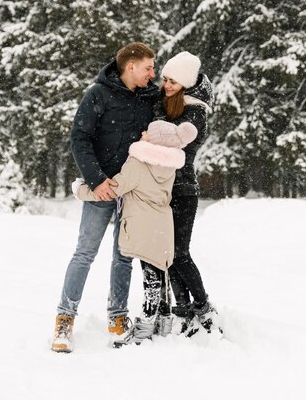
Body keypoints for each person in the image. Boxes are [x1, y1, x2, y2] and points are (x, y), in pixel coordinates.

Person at [51, 42, 157, 353]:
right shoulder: (98, 95)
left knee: (124, 256)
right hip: (103, 188)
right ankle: (64, 319)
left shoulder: (150, 96)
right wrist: (96, 180)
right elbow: (79, 138)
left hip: (133, 190)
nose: (153, 74)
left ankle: (118, 317)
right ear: (131, 67)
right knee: (85, 253)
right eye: (148, 68)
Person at [73, 119, 198, 347]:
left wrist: (80, 190)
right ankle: (164, 321)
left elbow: (113, 189)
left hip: (142, 226)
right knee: (159, 274)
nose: (143, 132)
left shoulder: (139, 164)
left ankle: (144, 329)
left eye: (148, 133)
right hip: (162, 226)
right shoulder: (169, 166)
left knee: (150, 280)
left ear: (156, 141)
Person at [155, 51, 221, 336]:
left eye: (172, 80)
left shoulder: (195, 112)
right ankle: (183, 308)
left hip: (182, 190)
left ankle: (204, 306)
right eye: (165, 79)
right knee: (167, 254)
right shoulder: (168, 105)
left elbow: (178, 142)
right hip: (162, 190)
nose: (166, 84)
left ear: (184, 83)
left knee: (180, 253)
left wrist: (154, 133)